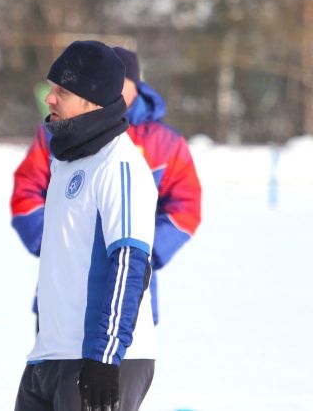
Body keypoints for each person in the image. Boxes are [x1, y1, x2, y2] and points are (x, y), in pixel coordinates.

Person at [13, 40, 157, 411]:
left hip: (99, 359)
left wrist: (105, 356)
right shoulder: (66, 161)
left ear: (93, 102)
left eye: (63, 91)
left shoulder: (119, 166)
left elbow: (128, 265)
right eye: (51, 88)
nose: (49, 98)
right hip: (51, 354)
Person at [11, 46, 202, 324]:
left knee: (114, 345)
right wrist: (52, 242)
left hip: (128, 290)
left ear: (136, 85)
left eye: (121, 82)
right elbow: (26, 189)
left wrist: (144, 252)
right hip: (60, 290)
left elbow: (186, 205)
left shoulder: (166, 143)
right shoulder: (56, 132)